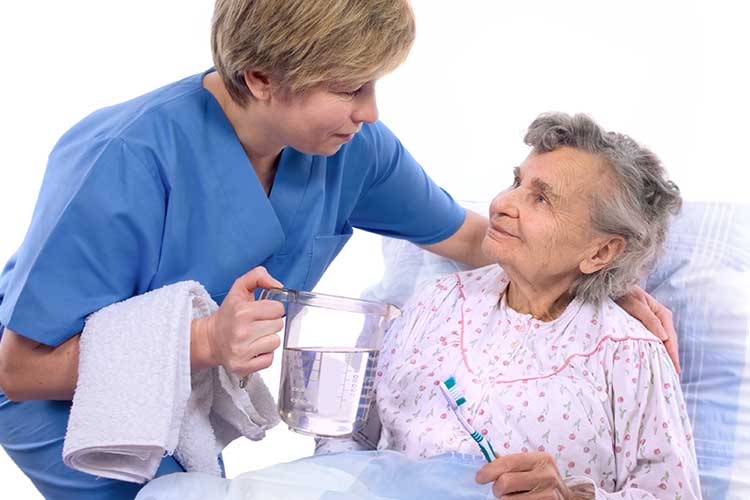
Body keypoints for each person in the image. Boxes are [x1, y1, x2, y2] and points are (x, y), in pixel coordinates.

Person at [0, 0, 677, 498]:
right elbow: (20, 369)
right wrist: (205, 341)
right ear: (262, 78)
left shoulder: (352, 150)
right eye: (351, 88)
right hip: (66, 402)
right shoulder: (124, 159)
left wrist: (604, 280)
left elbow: (472, 236)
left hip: (183, 402)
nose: (372, 112)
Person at [323, 113, 701, 499]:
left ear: (601, 250)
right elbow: (345, 434)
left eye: (541, 198)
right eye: (516, 182)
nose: (502, 203)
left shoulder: (629, 353)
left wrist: (573, 499)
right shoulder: (434, 303)